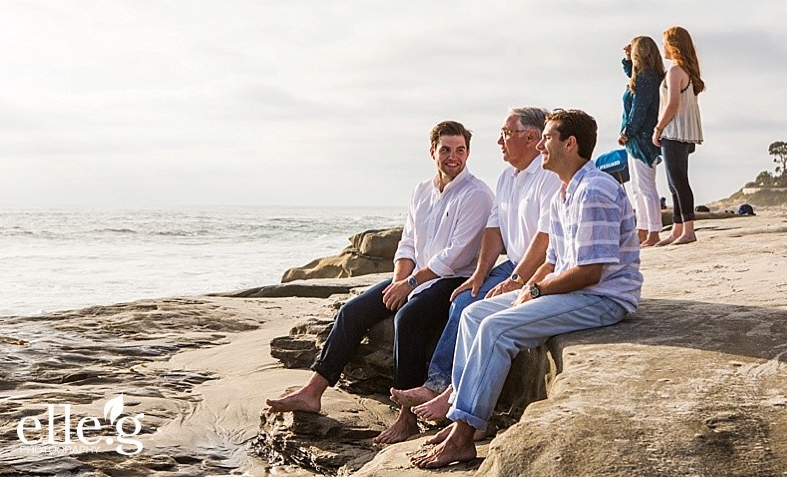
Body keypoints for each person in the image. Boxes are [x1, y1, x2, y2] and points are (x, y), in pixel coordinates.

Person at [411, 109, 643, 469]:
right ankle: (464, 421)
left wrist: (536, 292)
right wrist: (524, 285)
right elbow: (551, 259)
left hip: (603, 298)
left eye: (547, 138)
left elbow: (591, 272)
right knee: (474, 314)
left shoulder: (594, 190)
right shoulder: (564, 193)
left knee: (497, 328)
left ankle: (464, 434)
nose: (541, 145)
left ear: (570, 144)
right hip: (569, 289)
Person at [266, 120, 494, 444]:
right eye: (446, 150)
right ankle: (312, 391)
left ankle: (406, 418)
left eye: (460, 150)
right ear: (433, 151)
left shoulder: (478, 194)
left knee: (408, 318)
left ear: (468, 152)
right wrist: (400, 279)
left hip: (451, 279)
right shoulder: (421, 191)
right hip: (414, 276)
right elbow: (409, 243)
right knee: (352, 311)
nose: (453, 157)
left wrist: (410, 284)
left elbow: (454, 256)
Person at [390, 107, 561, 423]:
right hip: (513, 263)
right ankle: (440, 387)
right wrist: (480, 276)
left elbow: (545, 238)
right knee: (465, 297)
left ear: (532, 138)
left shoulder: (547, 176)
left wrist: (517, 279)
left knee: (470, 311)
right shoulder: (508, 177)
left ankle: (444, 389)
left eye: (506, 133)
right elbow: (493, 230)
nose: (499, 141)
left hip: (542, 267)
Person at [652, 26, 705, 246]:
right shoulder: (686, 71)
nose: (662, 47)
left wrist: (658, 128)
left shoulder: (675, 72)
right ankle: (677, 229)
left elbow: (672, 104)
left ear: (674, 47)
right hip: (683, 134)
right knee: (675, 183)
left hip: (675, 133)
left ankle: (688, 230)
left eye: (665, 43)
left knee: (678, 181)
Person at [620, 36, 664, 247]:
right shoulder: (646, 76)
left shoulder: (648, 78)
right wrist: (627, 59)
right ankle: (643, 229)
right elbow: (633, 77)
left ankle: (654, 231)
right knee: (637, 187)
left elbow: (640, 108)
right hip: (637, 139)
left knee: (646, 187)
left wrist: (627, 131)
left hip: (642, 138)